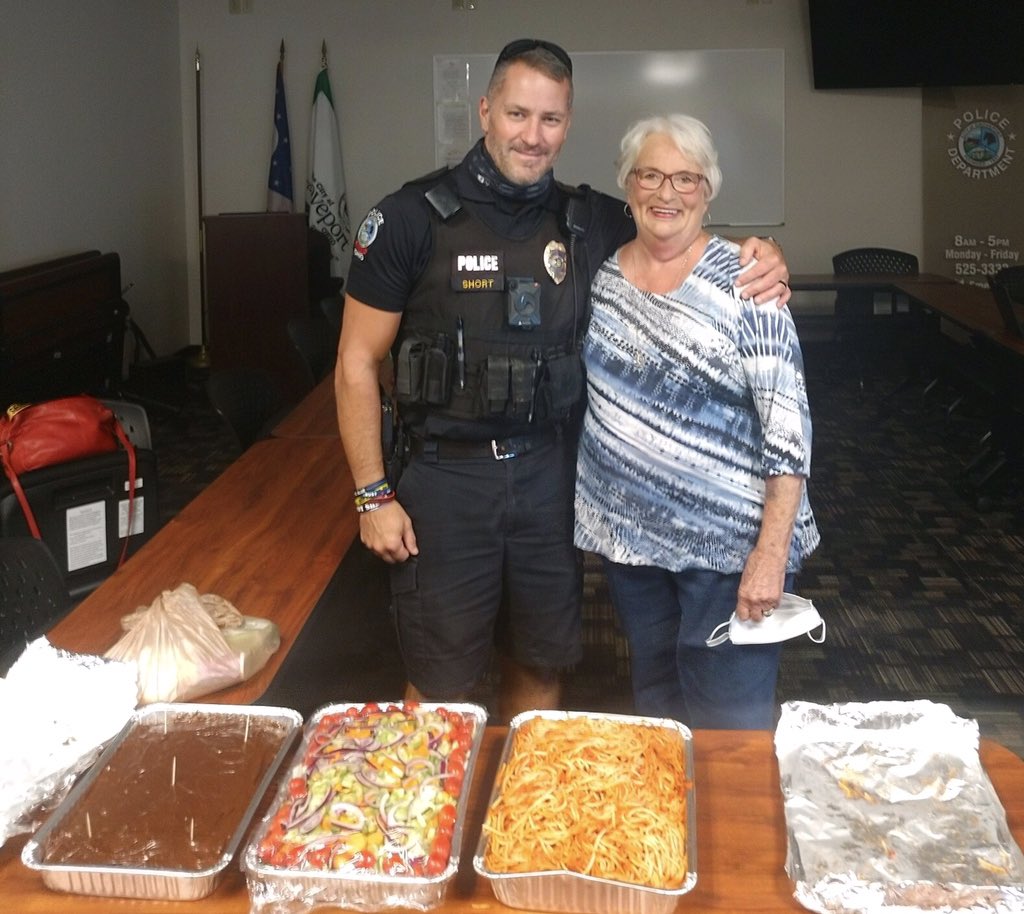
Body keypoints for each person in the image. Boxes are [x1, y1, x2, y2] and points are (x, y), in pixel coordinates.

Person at [335, 40, 791, 723]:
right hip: (447, 483)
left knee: (541, 665)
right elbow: (355, 364)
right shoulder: (407, 219)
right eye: (518, 114)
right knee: (439, 682)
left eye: (550, 119)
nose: (532, 134)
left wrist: (760, 255)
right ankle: (425, 823)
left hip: (551, 480)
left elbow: (673, 229)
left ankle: (526, 818)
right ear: (486, 111)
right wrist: (371, 495)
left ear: (568, 123)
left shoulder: (592, 220)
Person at [573, 114, 820, 730]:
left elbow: (788, 431)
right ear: (627, 186)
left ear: (708, 190)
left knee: (729, 719)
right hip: (631, 543)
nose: (667, 193)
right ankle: (673, 824)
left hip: (729, 548)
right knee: (657, 702)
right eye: (651, 175)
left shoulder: (749, 282)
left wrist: (772, 551)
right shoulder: (602, 278)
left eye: (686, 178)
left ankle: (733, 827)